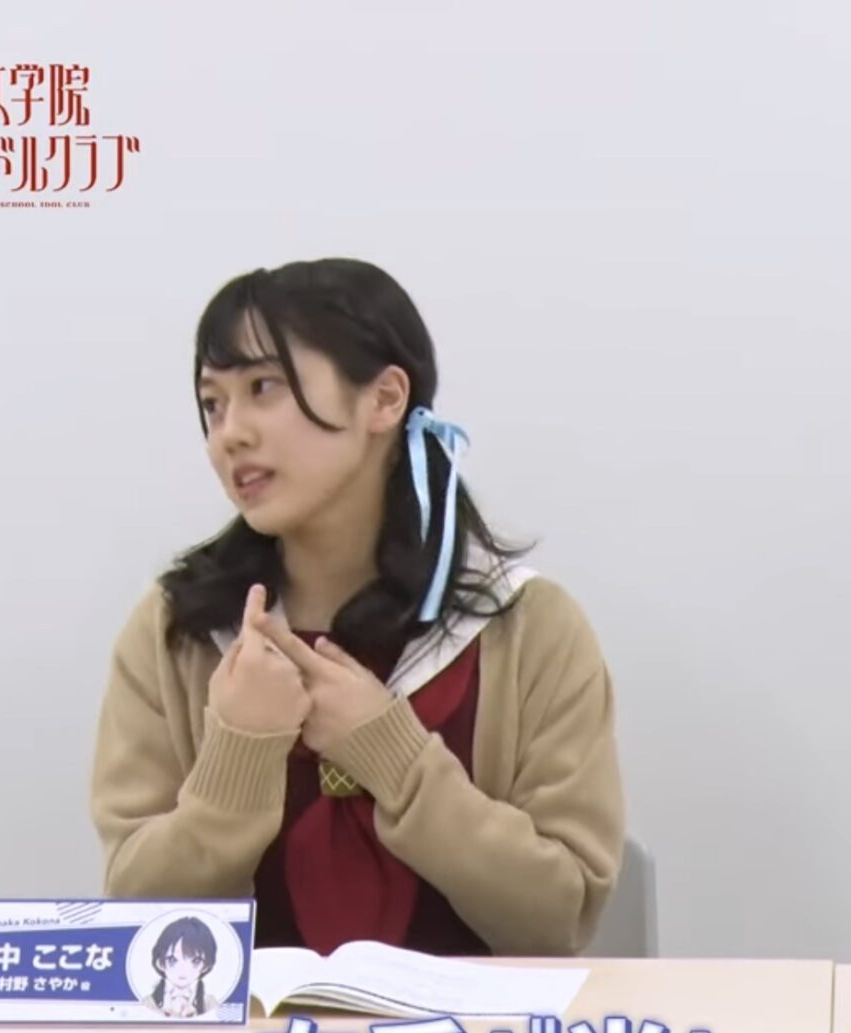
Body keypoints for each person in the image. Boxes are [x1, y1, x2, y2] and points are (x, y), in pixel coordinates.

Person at [88, 257, 626, 959]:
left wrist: (392, 756)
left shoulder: (527, 627)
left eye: (263, 388)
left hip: (473, 1031)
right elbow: (139, 932)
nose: (230, 434)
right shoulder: (177, 631)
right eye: (213, 404)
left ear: (385, 399)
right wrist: (239, 754)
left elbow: (558, 917)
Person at [144, 915, 220, 1018]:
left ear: (206, 966)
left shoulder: (210, 1004)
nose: (183, 970)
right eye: (172, 960)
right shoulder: (148, 1004)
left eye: (195, 961)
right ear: (159, 963)